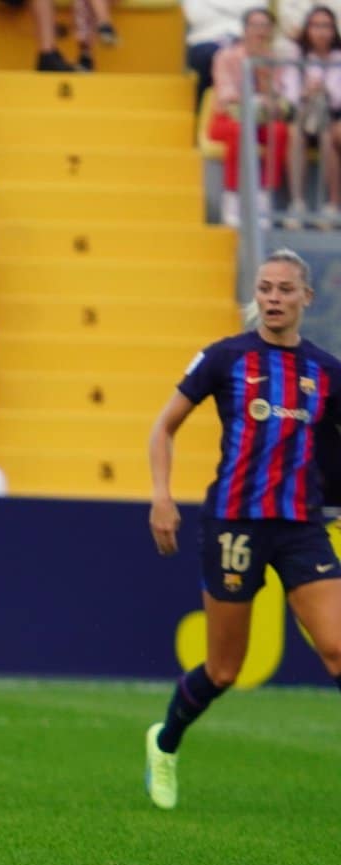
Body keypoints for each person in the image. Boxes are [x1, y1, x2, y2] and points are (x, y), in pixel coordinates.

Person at [144, 249, 341, 810]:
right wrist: (161, 495)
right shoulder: (226, 358)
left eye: (285, 289)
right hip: (235, 525)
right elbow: (164, 427)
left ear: (307, 297)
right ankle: (165, 742)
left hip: (302, 527)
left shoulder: (325, 372)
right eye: (265, 288)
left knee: (338, 650)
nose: (273, 298)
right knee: (225, 668)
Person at [208, 7, 296, 225]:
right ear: (245, 29)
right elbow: (226, 94)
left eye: (266, 26)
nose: (261, 31)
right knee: (240, 132)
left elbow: (281, 97)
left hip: (264, 119)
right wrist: (254, 101)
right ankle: (232, 201)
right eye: (256, 26)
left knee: (280, 132)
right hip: (230, 118)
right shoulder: (226, 56)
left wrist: (266, 84)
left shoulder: (275, 60)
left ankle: (264, 201)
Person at [281, 5, 341, 224]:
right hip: (304, 114)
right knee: (295, 133)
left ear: (334, 30)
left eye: (326, 26)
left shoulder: (338, 56)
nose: (321, 32)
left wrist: (325, 89)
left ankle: (332, 206)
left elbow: (338, 98)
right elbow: (289, 93)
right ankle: (297, 203)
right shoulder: (297, 55)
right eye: (316, 26)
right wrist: (305, 91)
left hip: (332, 115)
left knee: (327, 136)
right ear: (307, 29)